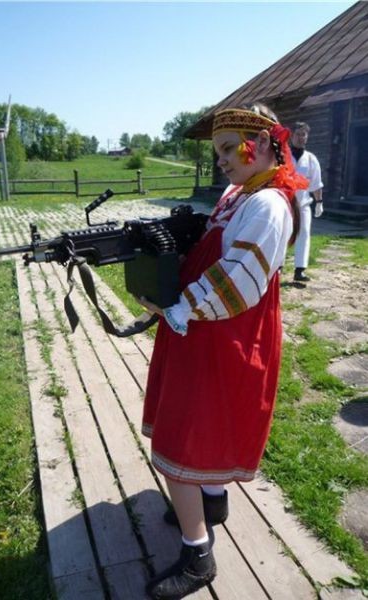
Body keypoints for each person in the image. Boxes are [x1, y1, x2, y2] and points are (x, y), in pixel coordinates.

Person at [137, 103, 308, 599]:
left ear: (264, 144)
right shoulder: (240, 193)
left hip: (225, 330)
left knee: (183, 436)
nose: (222, 160)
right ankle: (212, 502)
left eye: (230, 149)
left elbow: (237, 281)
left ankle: (198, 556)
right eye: (218, 152)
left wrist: (178, 308)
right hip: (205, 329)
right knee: (205, 423)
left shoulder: (268, 204)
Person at [290, 122, 324, 282]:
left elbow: (316, 183)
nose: (301, 137)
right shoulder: (283, 155)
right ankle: (277, 267)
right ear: (292, 136)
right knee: (281, 235)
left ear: (307, 137)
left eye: (303, 134)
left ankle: (300, 270)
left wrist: (319, 202)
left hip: (303, 204)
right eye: (298, 134)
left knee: (303, 234)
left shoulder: (311, 159)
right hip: (284, 203)